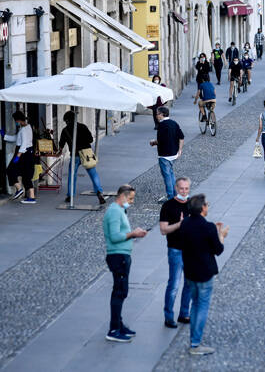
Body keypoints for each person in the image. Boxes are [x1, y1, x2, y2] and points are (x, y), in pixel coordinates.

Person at [181, 194, 229, 355]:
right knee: (202, 306)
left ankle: (193, 340)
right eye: (207, 204)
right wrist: (221, 236)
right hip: (204, 272)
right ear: (202, 208)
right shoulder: (207, 227)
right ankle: (195, 343)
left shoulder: (185, 224)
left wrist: (214, 232)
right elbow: (218, 250)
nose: (208, 206)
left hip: (189, 271)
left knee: (194, 304)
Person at [103, 184, 148, 342]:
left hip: (122, 255)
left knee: (121, 291)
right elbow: (115, 236)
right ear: (122, 196)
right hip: (118, 256)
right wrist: (133, 233)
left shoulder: (119, 210)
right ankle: (114, 329)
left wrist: (133, 234)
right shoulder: (115, 211)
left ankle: (118, 324)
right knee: (119, 291)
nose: (132, 201)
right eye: (130, 198)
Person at [160, 178, 192, 329]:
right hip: (175, 249)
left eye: (186, 189)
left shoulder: (192, 205)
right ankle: (168, 316)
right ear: (176, 188)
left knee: (189, 283)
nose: (184, 192)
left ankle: (184, 313)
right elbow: (163, 229)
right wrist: (180, 224)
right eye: (181, 189)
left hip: (190, 250)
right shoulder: (168, 206)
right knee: (174, 284)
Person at [59, 111, 105, 205]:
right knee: (93, 174)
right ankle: (99, 192)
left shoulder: (65, 130)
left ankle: (70, 195)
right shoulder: (83, 126)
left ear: (67, 120)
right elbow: (91, 139)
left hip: (75, 155)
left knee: (72, 175)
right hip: (86, 154)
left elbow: (61, 145)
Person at [150, 107, 185, 201]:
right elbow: (181, 137)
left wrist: (153, 142)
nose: (156, 116)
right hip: (174, 153)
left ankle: (170, 197)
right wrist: (180, 150)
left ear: (162, 114)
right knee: (171, 174)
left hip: (164, 154)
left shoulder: (161, 125)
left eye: (157, 114)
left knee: (167, 177)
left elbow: (161, 141)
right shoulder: (174, 123)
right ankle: (175, 194)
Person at [4, 110, 36, 204]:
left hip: (23, 153)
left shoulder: (24, 130)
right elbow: (16, 138)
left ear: (18, 120)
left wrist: (18, 156)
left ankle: (19, 189)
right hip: (27, 153)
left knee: (10, 170)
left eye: (16, 121)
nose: (15, 123)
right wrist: (4, 136)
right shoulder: (27, 127)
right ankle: (32, 197)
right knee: (26, 175)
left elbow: (24, 144)